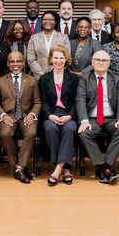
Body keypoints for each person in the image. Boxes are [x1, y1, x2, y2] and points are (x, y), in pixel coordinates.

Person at [75, 50, 119, 184]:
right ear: (92, 62)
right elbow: (80, 100)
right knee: (83, 133)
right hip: (92, 119)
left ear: (109, 64)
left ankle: (103, 167)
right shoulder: (85, 78)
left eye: (104, 60)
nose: (100, 62)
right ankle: (104, 167)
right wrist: (84, 120)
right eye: (97, 60)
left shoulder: (117, 79)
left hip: (111, 118)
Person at [0, 52, 41, 183]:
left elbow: (37, 102)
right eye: (12, 62)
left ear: (23, 63)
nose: (15, 64)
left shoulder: (32, 80)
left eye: (19, 61)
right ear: (8, 64)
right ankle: (19, 167)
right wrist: (3, 115)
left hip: (26, 116)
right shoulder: (0, 81)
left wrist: (32, 114)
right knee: (4, 134)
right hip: (8, 116)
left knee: (31, 132)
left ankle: (19, 167)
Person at [38, 45, 78, 186]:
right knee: (50, 129)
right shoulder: (44, 79)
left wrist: (70, 116)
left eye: (61, 58)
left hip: (68, 115)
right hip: (51, 115)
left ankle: (58, 169)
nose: (58, 61)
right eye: (55, 58)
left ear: (66, 59)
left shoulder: (73, 78)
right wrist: (49, 116)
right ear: (51, 59)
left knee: (70, 129)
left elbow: (76, 101)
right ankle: (65, 169)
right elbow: (43, 101)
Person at [26, 11, 69, 78]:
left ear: (55, 22)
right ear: (41, 21)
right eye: (45, 19)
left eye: (51, 19)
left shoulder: (64, 37)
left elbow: (67, 57)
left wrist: (54, 75)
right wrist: (42, 76)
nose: (47, 21)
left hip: (58, 77)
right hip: (39, 78)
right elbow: (31, 59)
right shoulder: (34, 38)